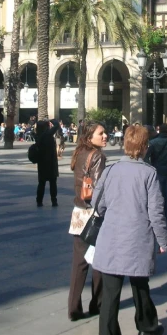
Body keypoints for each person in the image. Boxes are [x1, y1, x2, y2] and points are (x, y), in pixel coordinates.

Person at [92, 125, 167, 335]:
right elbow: (156, 211)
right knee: (140, 286)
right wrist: (163, 240)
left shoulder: (110, 170)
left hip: (111, 237)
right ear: (145, 146)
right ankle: (147, 327)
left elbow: (99, 204)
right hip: (137, 238)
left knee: (110, 293)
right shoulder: (149, 173)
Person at [67, 121, 108, 322]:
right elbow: (99, 188)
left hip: (78, 212)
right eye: (101, 133)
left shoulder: (79, 152)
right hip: (93, 213)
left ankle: (73, 308)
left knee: (79, 263)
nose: (105, 136)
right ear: (89, 136)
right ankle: (97, 304)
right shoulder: (98, 156)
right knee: (98, 260)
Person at [34, 119, 60, 207]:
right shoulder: (47, 135)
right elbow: (57, 126)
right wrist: (52, 120)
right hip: (50, 162)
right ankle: (54, 200)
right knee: (53, 183)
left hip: (42, 163)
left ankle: (39, 200)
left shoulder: (38, 135)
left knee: (41, 183)